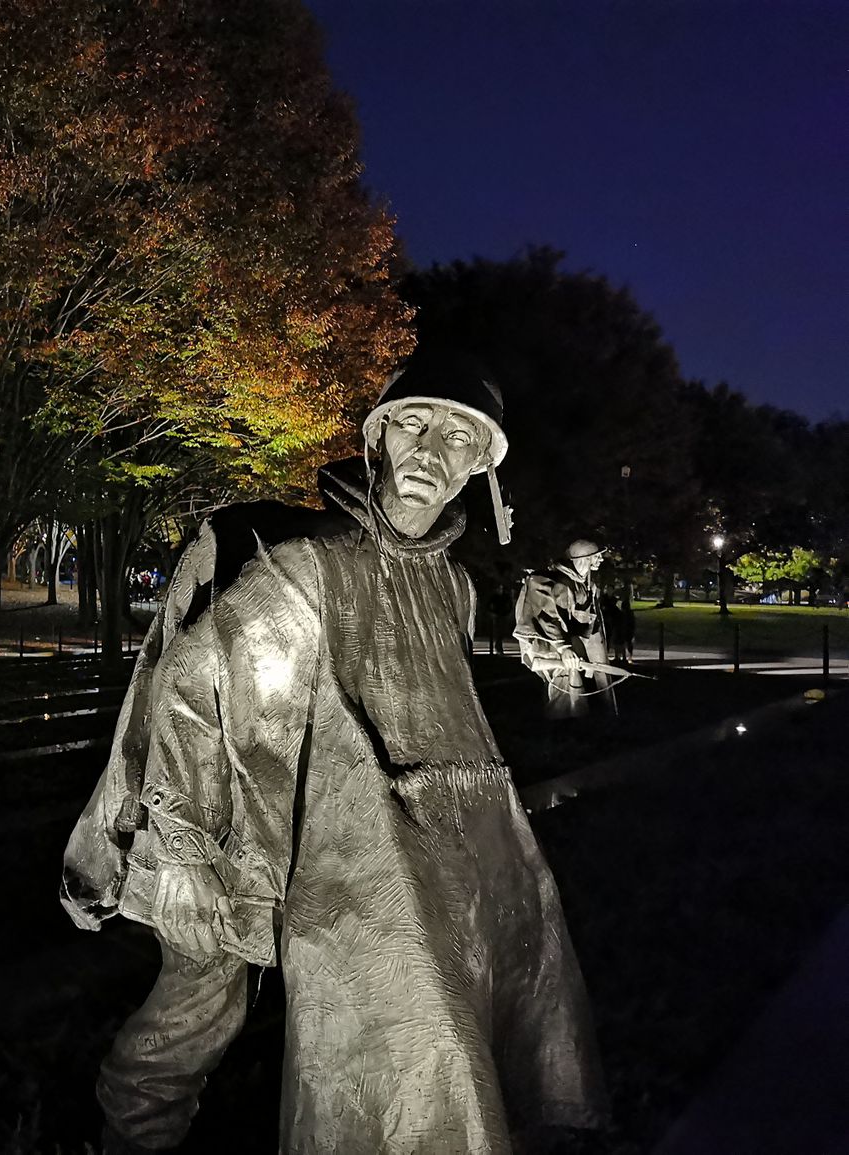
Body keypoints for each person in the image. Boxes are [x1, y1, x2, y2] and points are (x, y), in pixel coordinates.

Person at [62, 350, 603, 1153]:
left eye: (459, 437)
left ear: (478, 471)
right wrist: (189, 855)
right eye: (413, 424)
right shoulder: (307, 565)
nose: (430, 451)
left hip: (351, 852)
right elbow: (186, 682)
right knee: (204, 1005)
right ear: (378, 439)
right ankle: (127, 1137)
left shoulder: (450, 588)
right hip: (233, 833)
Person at [514, 540, 615, 719]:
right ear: (584, 559)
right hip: (559, 656)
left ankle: (581, 734)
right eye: (596, 556)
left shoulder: (585, 585)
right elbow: (546, 616)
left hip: (579, 653)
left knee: (583, 700)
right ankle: (560, 738)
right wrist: (564, 648)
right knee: (563, 700)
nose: (600, 559)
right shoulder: (552, 582)